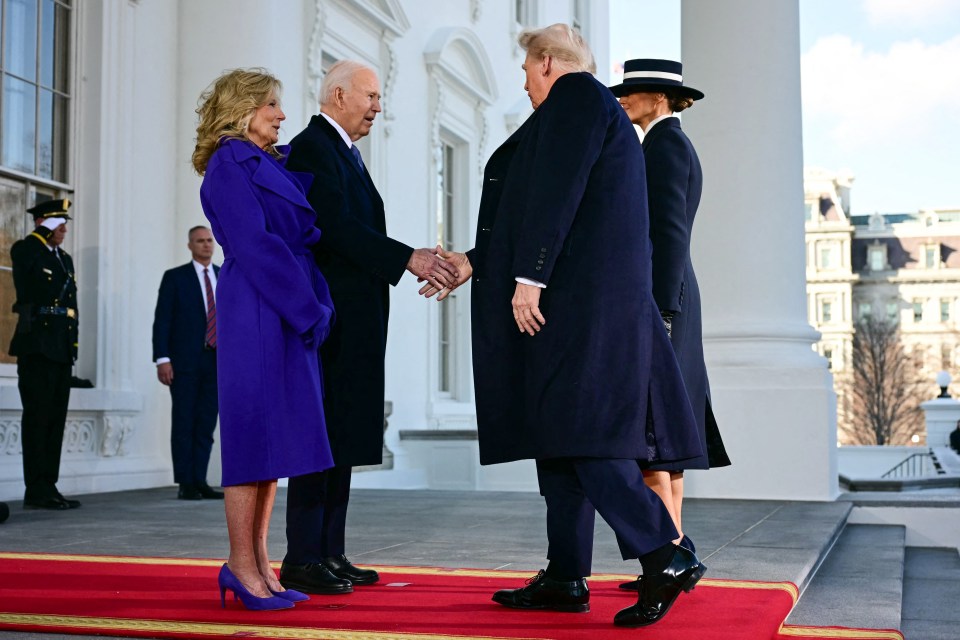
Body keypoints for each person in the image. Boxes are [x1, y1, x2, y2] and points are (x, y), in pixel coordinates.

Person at [423, 25, 707, 628]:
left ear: (547, 62)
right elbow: (535, 207)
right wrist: (474, 263)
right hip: (579, 309)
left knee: (587, 440)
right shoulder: (588, 109)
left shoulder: (576, 95)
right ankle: (564, 574)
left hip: (582, 312)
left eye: (526, 71)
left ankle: (666, 555)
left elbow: (557, 193)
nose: (524, 84)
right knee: (559, 442)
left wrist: (529, 276)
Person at [278, 60, 459, 595]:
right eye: (371, 96)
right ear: (337, 95)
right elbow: (334, 227)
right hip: (329, 319)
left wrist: (409, 259)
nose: (378, 106)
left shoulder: (346, 153)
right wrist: (411, 259)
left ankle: (329, 551)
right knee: (322, 436)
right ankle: (301, 555)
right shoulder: (313, 146)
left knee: (345, 434)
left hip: (355, 320)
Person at [193, 68, 336, 611]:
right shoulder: (230, 163)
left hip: (281, 303)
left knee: (276, 441)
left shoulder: (262, 162)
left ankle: (260, 565)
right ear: (243, 108)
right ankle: (239, 565)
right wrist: (307, 308)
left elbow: (293, 241)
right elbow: (255, 245)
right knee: (253, 440)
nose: (281, 114)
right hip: (259, 305)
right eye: (272, 104)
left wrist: (314, 304)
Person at [609, 59, 731, 588]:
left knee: (654, 436)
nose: (621, 100)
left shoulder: (665, 146)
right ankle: (678, 549)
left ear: (658, 98)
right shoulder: (660, 144)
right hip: (673, 300)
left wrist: (659, 309)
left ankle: (672, 557)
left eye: (630, 93)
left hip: (666, 303)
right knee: (666, 442)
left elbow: (670, 234)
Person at [9, 199, 82, 511]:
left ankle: (49, 484)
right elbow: (26, 281)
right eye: (58, 223)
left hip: (61, 348)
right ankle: (35, 488)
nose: (64, 229)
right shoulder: (27, 249)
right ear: (43, 223)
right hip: (37, 346)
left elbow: (71, 307)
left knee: (55, 420)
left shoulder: (64, 258)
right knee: (37, 419)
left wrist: (73, 346)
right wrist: (40, 232)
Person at [152, 226, 224, 501]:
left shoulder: (223, 276)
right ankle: (185, 482)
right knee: (184, 421)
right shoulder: (175, 278)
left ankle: (201, 479)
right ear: (190, 245)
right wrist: (162, 358)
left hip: (216, 362)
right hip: (184, 362)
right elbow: (163, 320)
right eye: (200, 241)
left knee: (206, 423)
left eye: (209, 241)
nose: (206, 245)